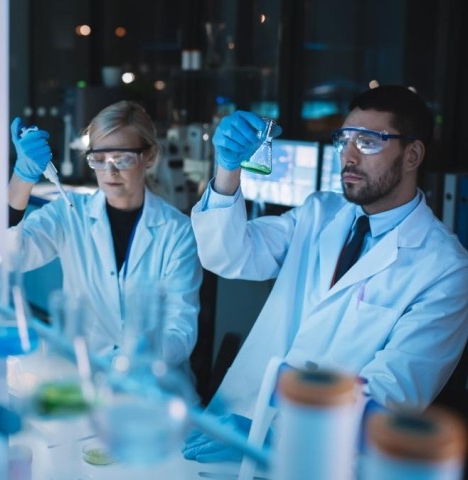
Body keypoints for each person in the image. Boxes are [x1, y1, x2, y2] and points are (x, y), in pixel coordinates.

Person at [184, 84, 468, 462]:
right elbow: (228, 256)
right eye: (343, 140)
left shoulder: (446, 270)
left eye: (368, 142)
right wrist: (226, 171)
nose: (347, 156)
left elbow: (393, 394)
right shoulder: (319, 212)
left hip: (323, 457)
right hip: (230, 432)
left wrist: (271, 433)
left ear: (413, 154)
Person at [6, 100, 202, 375]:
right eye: (99, 159)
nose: (109, 172)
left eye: (122, 159)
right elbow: (6, 259)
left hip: (151, 388)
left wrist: (133, 360)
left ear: (149, 157)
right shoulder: (70, 213)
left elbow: (180, 332)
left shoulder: (178, 232)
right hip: (85, 379)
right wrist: (22, 177)